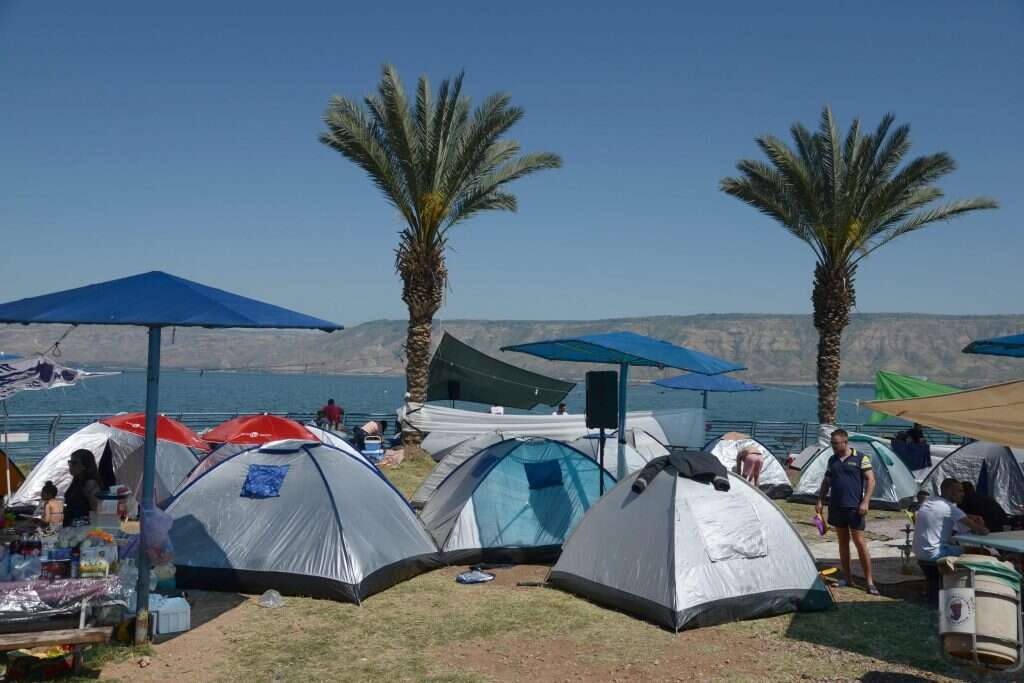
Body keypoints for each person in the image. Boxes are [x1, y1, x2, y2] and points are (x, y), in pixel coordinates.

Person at [816, 429, 879, 595]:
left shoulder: (860, 458)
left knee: (859, 543)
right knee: (843, 543)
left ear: (845, 442)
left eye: (836, 443)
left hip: (855, 507)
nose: (833, 446)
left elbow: (871, 480)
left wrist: (865, 501)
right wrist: (820, 500)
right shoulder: (832, 460)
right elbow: (827, 481)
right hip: (836, 507)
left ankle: (869, 581)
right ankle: (848, 578)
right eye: (832, 443)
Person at [913, 478, 989, 562]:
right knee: (984, 551)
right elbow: (982, 531)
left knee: (954, 544)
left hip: (918, 552)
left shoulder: (930, 501)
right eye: (959, 491)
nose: (963, 494)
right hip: (934, 553)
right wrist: (981, 525)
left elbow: (943, 513)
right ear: (949, 491)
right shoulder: (950, 508)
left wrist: (969, 516)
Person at [64, 449, 102, 527]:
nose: (70, 466)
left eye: (74, 463)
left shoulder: (90, 484)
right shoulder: (77, 482)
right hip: (72, 528)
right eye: (70, 462)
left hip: (82, 530)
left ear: (85, 465)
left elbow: (97, 510)